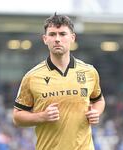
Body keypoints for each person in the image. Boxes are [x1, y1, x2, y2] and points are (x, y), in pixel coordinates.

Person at [13, 13, 105, 150]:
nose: (57, 39)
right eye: (52, 34)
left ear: (72, 38)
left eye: (62, 34)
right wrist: (42, 116)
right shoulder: (32, 77)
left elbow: (99, 100)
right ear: (45, 39)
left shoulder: (89, 72)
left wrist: (96, 113)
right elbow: (17, 117)